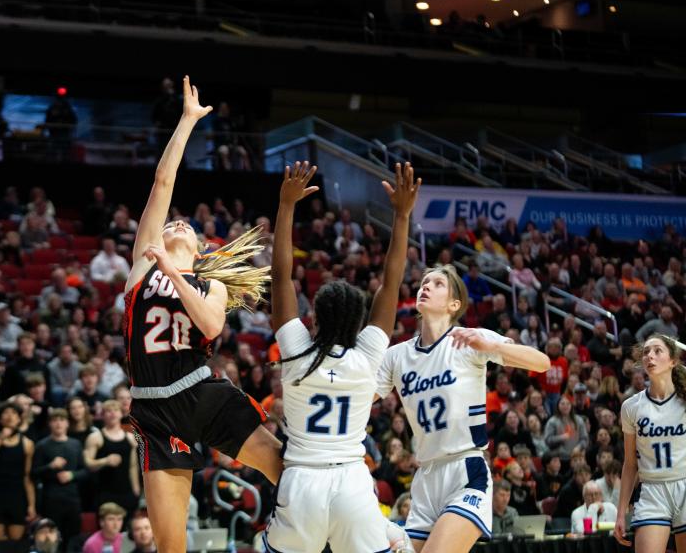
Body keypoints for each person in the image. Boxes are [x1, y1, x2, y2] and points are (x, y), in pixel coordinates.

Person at [122, 76, 280, 553]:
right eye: (171, 223)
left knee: (285, 467)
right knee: (171, 547)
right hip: (154, 409)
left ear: (199, 246)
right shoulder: (139, 270)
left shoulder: (209, 284)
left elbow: (211, 326)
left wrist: (171, 267)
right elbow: (162, 182)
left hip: (201, 393)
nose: (175, 222)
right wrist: (188, 122)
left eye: (183, 226)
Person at [264, 161, 420, 553]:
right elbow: (391, 281)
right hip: (352, 482)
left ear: (313, 317)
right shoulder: (368, 354)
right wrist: (401, 215)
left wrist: (286, 207)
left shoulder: (298, 352)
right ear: (357, 323)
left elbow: (281, 278)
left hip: (302, 483)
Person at [374, 262, 550, 552]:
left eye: (437, 283)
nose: (426, 286)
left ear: (454, 304)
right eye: (424, 283)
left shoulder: (471, 339)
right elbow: (360, 399)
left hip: (465, 470)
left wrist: (491, 347)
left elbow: (541, 363)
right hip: (426, 476)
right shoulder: (396, 355)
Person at [614, 335, 686, 552]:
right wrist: (620, 512)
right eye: (646, 352)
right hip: (652, 491)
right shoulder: (631, 407)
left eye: (657, 351)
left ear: (673, 361)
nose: (650, 356)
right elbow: (629, 464)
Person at [0, 402, 36, 542]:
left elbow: (28, 477)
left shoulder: (27, 443)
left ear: (19, 419)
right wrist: (1, 438)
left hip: (16, 495)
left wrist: (31, 505)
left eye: (14, 413)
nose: (10, 416)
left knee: (16, 540)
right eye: (6, 413)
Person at [32, 409, 86, 551]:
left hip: (72, 498)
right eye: (55, 420)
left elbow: (85, 471)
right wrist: (50, 466)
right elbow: (34, 473)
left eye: (61, 420)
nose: (58, 423)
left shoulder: (75, 444)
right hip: (51, 498)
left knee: (73, 537)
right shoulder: (42, 445)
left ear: (67, 423)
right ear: (50, 424)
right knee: (53, 537)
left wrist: (72, 475)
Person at [84, 400, 139, 515]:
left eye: (115, 410)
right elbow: (88, 464)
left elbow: (133, 467)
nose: (113, 413)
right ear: (103, 415)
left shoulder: (130, 438)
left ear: (121, 413)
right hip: (104, 492)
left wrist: (136, 488)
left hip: (126, 492)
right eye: (108, 411)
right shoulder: (95, 437)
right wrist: (105, 461)